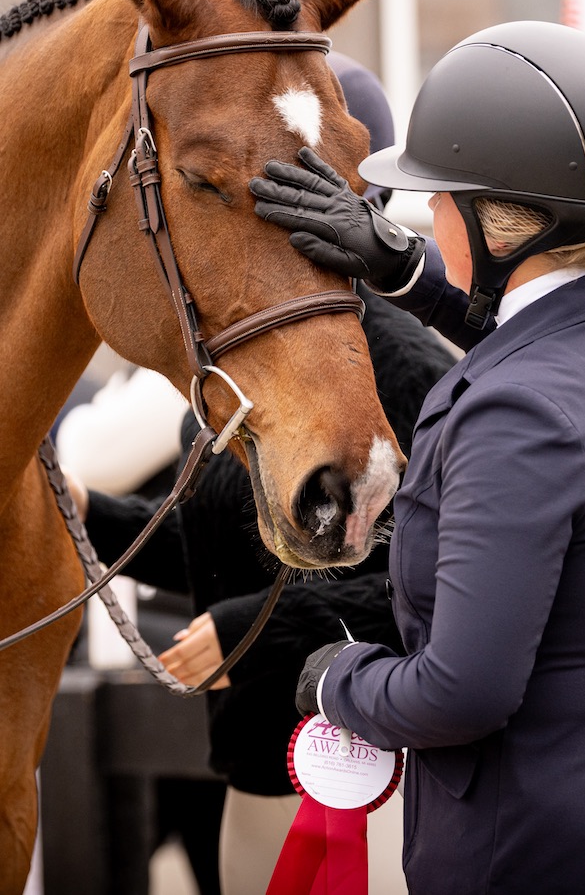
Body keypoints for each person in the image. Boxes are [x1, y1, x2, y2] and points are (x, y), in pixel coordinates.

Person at [251, 20, 585, 894]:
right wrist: (406, 270)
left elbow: (460, 693)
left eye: (437, 201)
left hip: (538, 853)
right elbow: (532, 337)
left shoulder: (516, 418)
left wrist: (339, 682)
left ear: (499, 224)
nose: (423, 215)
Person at [64, 50, 458, 895]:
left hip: (367, 778)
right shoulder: (243, 371)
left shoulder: (416, 373)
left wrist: (258, 628)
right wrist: (84, 507)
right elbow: (217, 545)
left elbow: (441, 586)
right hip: (255, 768)